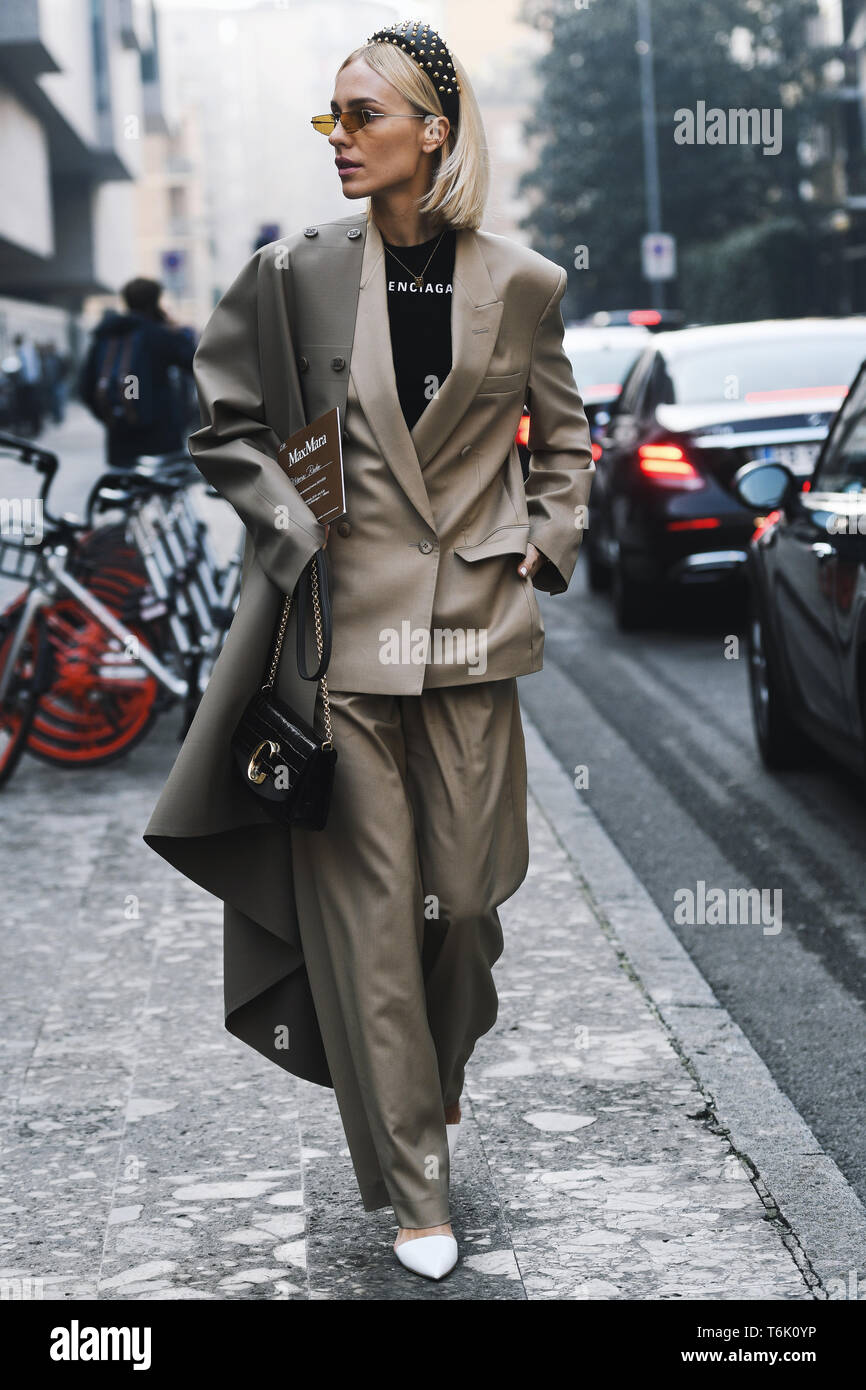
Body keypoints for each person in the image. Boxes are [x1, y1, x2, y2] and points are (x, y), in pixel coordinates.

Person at [143, 18, 595, 1284]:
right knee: (368, 924)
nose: (338, 140)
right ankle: (411, 1184)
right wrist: (292, 523)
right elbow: (221, 422)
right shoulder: (289, 274)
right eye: (328, 119)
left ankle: (434, 1077)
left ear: (430, 132)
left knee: (465, 907)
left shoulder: (521, 282)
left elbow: (562, 444)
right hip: (338, 645)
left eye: (360, 116)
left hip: (471, 641)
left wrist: (541, 542)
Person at [77, 277, 195, 467]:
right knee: (164, 489)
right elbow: (195, 363)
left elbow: (85, 388)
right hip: (160, 435)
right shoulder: (159, 335)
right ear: (155, 302)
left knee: (125, 488)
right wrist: (177, 329)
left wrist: (111, 416)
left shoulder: (104, 336)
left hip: (119, 438)